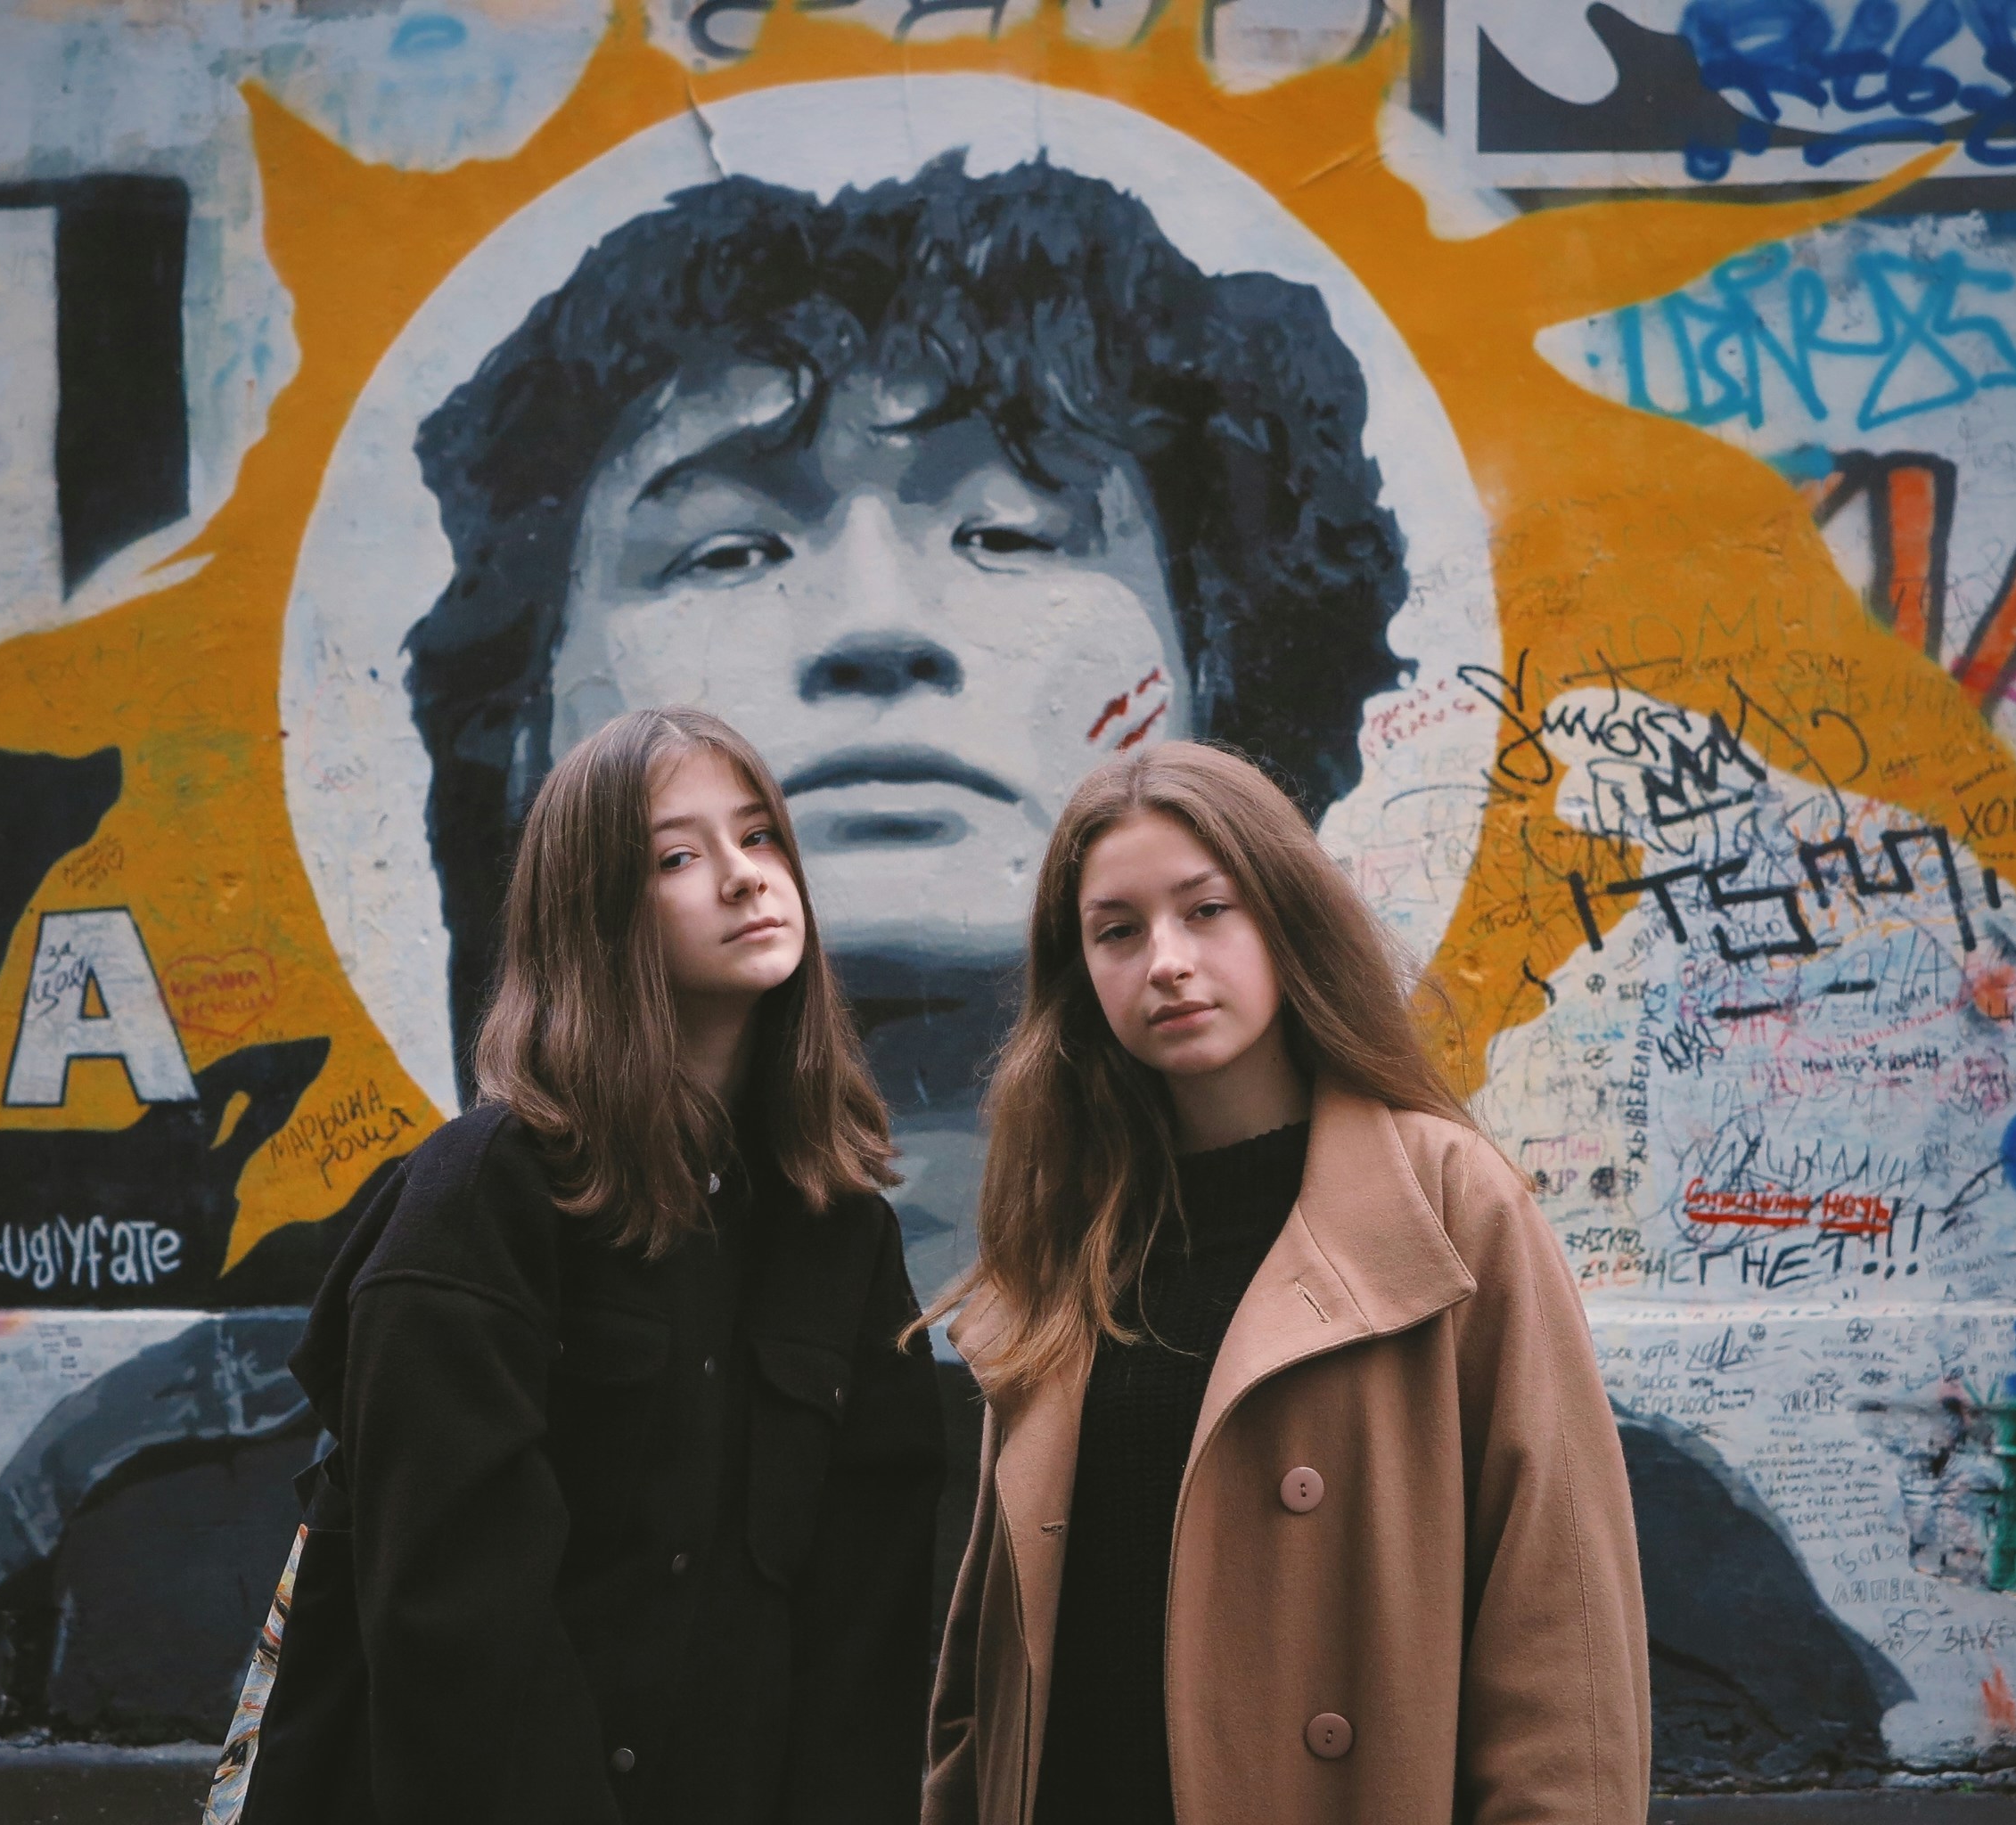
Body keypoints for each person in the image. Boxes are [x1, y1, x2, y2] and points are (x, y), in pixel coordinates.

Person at [403, 151, 1413, 1296]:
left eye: (1012, 533)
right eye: (730, 549)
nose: (874, 624)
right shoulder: (364, 1349)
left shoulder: (1425, 1289)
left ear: (1215, 687)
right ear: (529, 727)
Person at [225, 707, 944, 1824]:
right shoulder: (487, 1195)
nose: (745, 878)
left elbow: (870, 1621)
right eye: (677, 855)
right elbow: (456, 1624)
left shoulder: (837, 1225)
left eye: (759, 838)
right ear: (596, 914)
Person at [920, 742, 1649, 1825]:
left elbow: (1560, 1625)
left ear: (1284, 917)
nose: (1165, 958)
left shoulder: (1448, 1203)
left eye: (1206, 909)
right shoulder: (1069, 1234)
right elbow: (987, 1667)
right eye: (1117, 930)